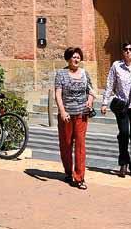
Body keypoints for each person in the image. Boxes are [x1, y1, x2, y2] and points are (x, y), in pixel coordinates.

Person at [101, 41, 131, 177]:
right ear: (122, 51)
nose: (128, 51)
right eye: (125, 49)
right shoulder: (116, 66)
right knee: (124, 134)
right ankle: (123, 164)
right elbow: (110, 84)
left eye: (130, 49)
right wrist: (104, 102)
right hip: (122, 107)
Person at [55, 46, 94, 189]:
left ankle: (79, 177)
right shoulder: (61, 74)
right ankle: (67, 171)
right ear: (68, 58)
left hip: (81, 114)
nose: (76, 59)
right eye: (73, 57)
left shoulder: (85, 73)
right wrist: (62, 111)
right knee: (66, 144)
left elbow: (91, 90)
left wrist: (90, 100)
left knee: (80, 145)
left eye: (78, 57)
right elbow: (58, 93)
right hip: (66, 115)